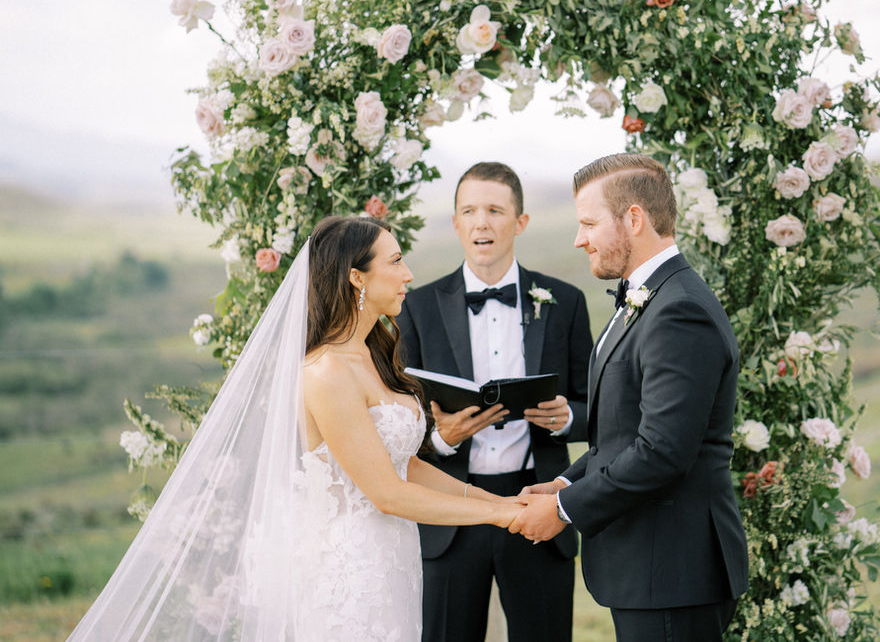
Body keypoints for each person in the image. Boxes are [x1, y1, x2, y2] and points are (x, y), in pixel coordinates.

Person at [68, 216, 522, 641]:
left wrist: (499, 501)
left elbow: (406, 468)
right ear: (356, 276)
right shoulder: (326, 371)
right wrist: (502, 516)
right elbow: (387, 493)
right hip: (348, 572)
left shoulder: (373, 354)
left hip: (392, 560)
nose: (409, 274)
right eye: (397, 261)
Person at [509, 154, 749, 641]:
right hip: (650, 569)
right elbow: (619, 436)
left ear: (634, 219)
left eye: (589, 223)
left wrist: (563, 510)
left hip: (672, 571)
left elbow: (661, 452)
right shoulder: (647, 298)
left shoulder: (679, 309)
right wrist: (562, 484)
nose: (579, 239)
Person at [396, 162, 592, 642]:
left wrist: (568, 419)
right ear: (456, 223)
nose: (481, 222)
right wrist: (441, 439)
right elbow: (395, 422)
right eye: (469, 211)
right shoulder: (416, 308)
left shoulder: (564, 301)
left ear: (520, 222)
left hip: (537, 509)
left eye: (495, 210)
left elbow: (598, 409)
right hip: (449, 515)